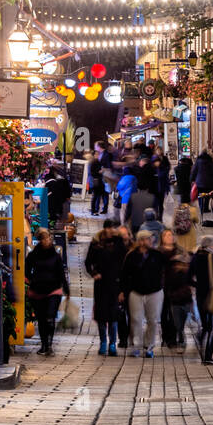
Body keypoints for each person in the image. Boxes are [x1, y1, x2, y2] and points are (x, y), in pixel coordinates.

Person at [120, 229, 166, 358]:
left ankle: (149, 346)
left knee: (153, 320)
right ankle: (136, 346)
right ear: (141, 241)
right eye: (148, 239)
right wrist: (123, 291)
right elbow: (124, 274)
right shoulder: (131, 256)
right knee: (136, 319)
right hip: (136, 292)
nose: (151, 241)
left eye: (151, 239)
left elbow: (167, 269)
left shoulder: (157, 255)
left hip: (155, 292)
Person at [84, 220, 127, 355]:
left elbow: (124, 263)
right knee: (101, 315)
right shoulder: (97, 243)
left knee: (113, 315)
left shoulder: (119, 243)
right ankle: (103, 342)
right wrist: (94, 273)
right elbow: (88, 261)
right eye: (108, 228)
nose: (110, 231)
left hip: (115, 283)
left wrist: (122, 287)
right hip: (101, 284)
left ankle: (112, 343)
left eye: (112, 228)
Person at [25, 228, 68, 357]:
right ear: (40, 240)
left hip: (53, 290)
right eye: (44, 238)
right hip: (37, 291)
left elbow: (61, 272)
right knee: (42, 319)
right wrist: (32, 280)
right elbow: (27, 269)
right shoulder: (34, 254)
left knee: (50, 317)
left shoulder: (55, 255)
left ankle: (49, 344)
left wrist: (66, 288)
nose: (46, 241)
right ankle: (44, 344)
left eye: (48, 238)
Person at [189, 235, 213, 365]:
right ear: (210, 246)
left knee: (205, 324)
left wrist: (198, 286)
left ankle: (200, 337)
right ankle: (208, 356)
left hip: (200, 295)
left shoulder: (195, 257)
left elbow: (188, 277)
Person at [160, 229, 193, 350]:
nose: (169, 237)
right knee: (164, 313)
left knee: (174, 313)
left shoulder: (180, 251)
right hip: (163, 286)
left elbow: (187, 267)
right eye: (166, 235)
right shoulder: (158, 252)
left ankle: (173, 338)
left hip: (176, 287)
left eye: (170, 235)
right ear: (162, 238)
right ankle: (166, 337)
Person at [192, 149, 213, 218]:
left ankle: (201, 207)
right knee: (207, 195)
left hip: (199, 181)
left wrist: (192, 179)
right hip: (209, 181)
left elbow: (194, 170)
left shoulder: (198, 161)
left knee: (200, 195)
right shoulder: (210, 161)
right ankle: (206, 208)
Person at [89, 141, 111, 215]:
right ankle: (94, 210)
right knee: (96, 196)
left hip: (101, 179)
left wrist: (103, 170)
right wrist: (99, 171)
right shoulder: (94, 161)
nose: (98, 154)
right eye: (97, 154)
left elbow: (107, 166)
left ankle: (97, 209)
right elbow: (92, 172)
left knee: (101, 195)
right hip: (96, 180)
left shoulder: (104, 156)